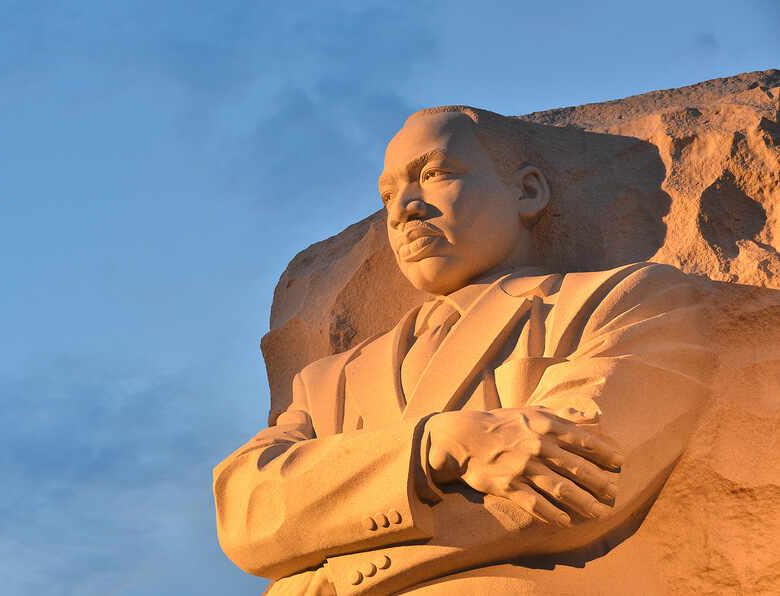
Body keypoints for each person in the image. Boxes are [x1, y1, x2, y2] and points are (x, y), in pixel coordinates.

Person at [214, 106, 710, 595]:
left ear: (528, 191)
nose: (403, 208)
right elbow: (246, 512)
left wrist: (323, 575)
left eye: (434, 173)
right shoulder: (329, 381)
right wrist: (434, 444)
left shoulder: (621, 300)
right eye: (388, 194)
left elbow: (579, 481)